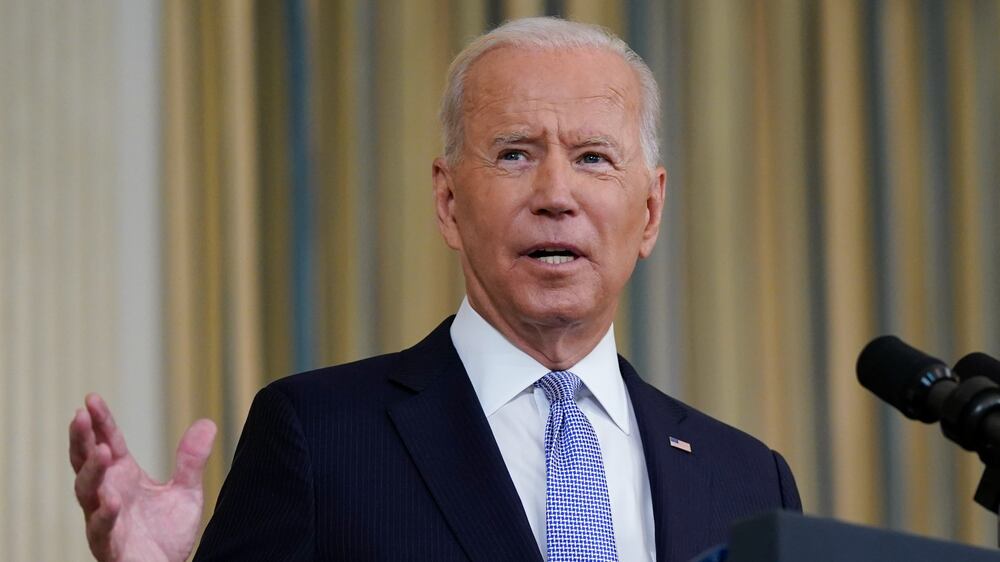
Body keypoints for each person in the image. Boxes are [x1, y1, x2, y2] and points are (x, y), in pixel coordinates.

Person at [70, 17, 800, 562]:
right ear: (449, 203)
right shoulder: (321, 440)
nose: (555, 193)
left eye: (593, 157)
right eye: (515, 153)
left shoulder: (746, 481)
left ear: (649, 211)